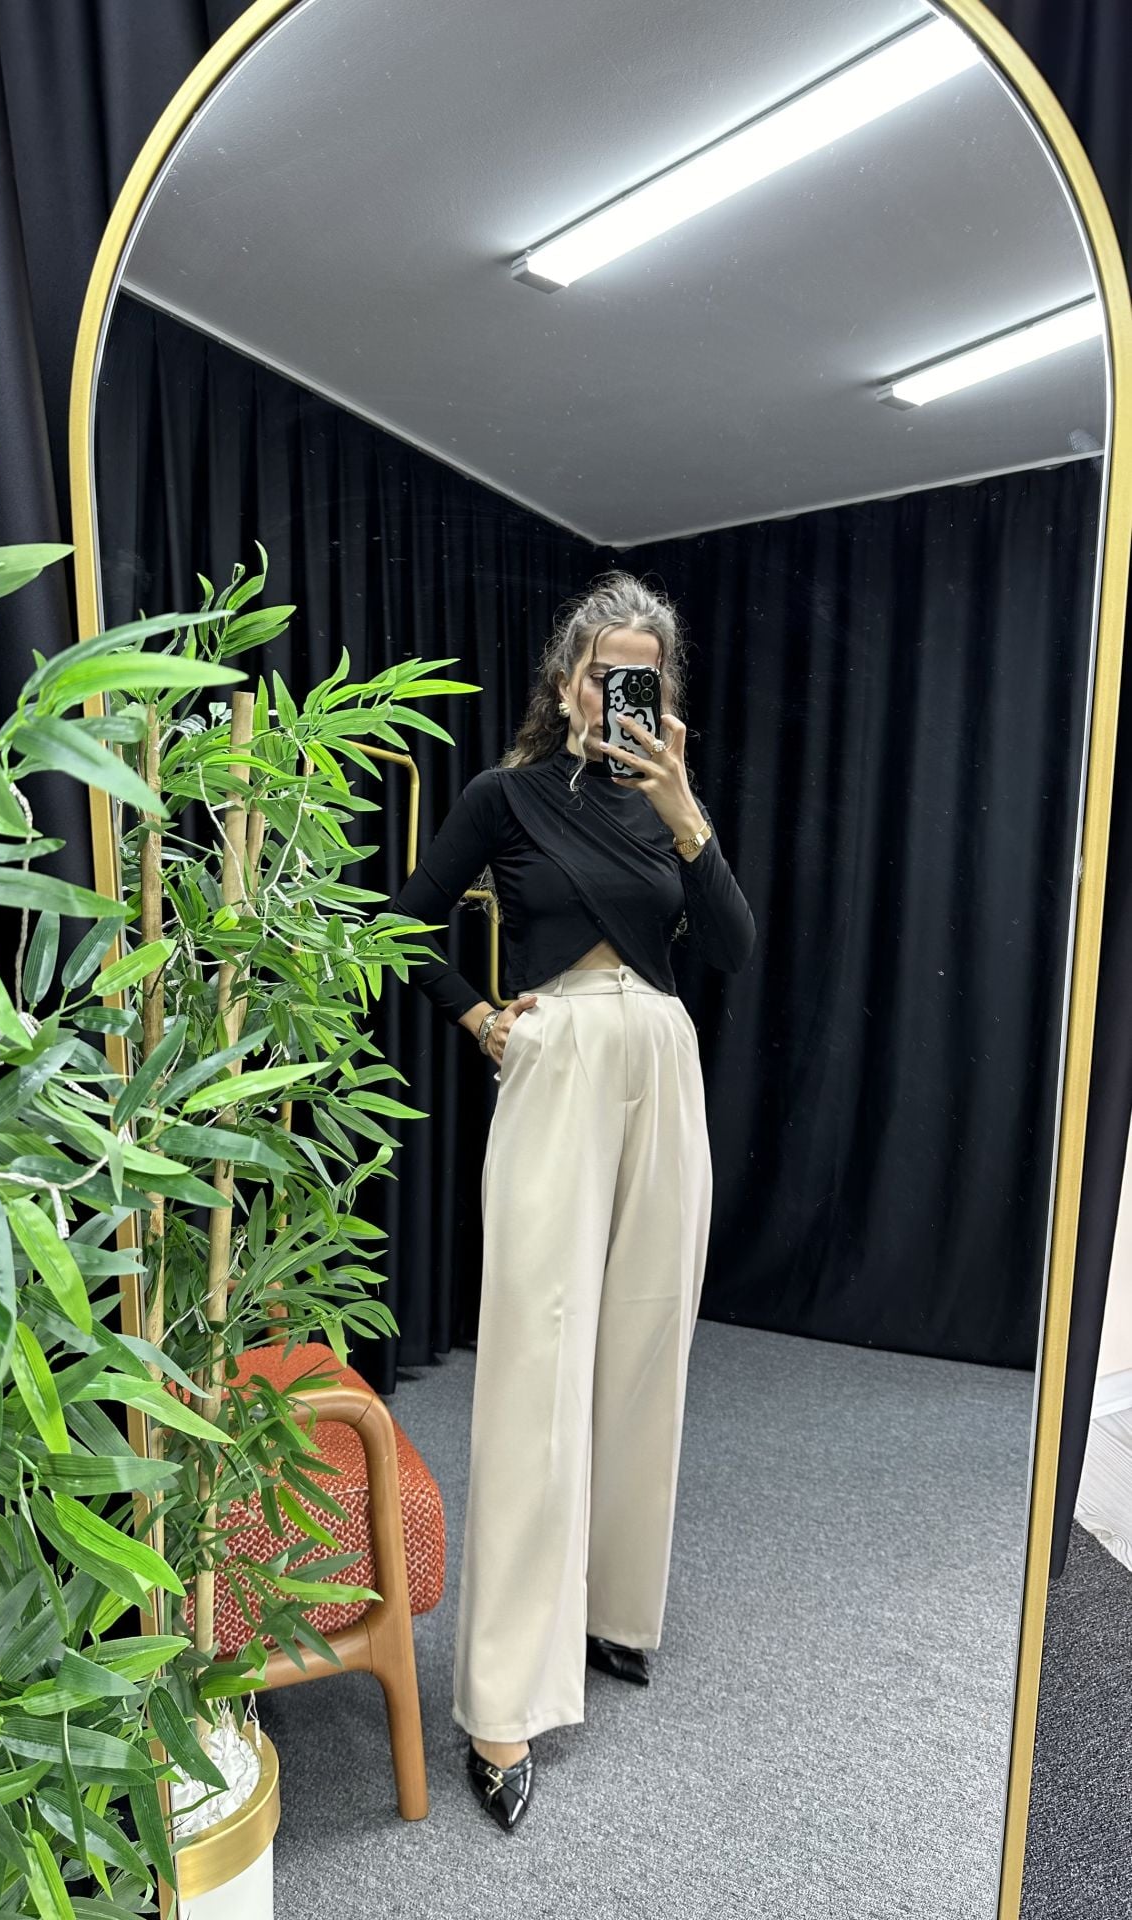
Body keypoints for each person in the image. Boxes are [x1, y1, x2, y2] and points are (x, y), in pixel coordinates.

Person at [390, 572, 756, 1831]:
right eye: (605, 674)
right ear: (565, 685)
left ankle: (610, 1610)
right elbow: (406, 924)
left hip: (664, 1057)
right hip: (558, 1057)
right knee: (537, 1364)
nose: (620, 694)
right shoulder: (506, 796)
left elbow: (732, 952)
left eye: (643, 676)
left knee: (647, 1346)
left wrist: (687, 811)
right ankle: (502, 1698)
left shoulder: (667, 810)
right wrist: (480, 1019)